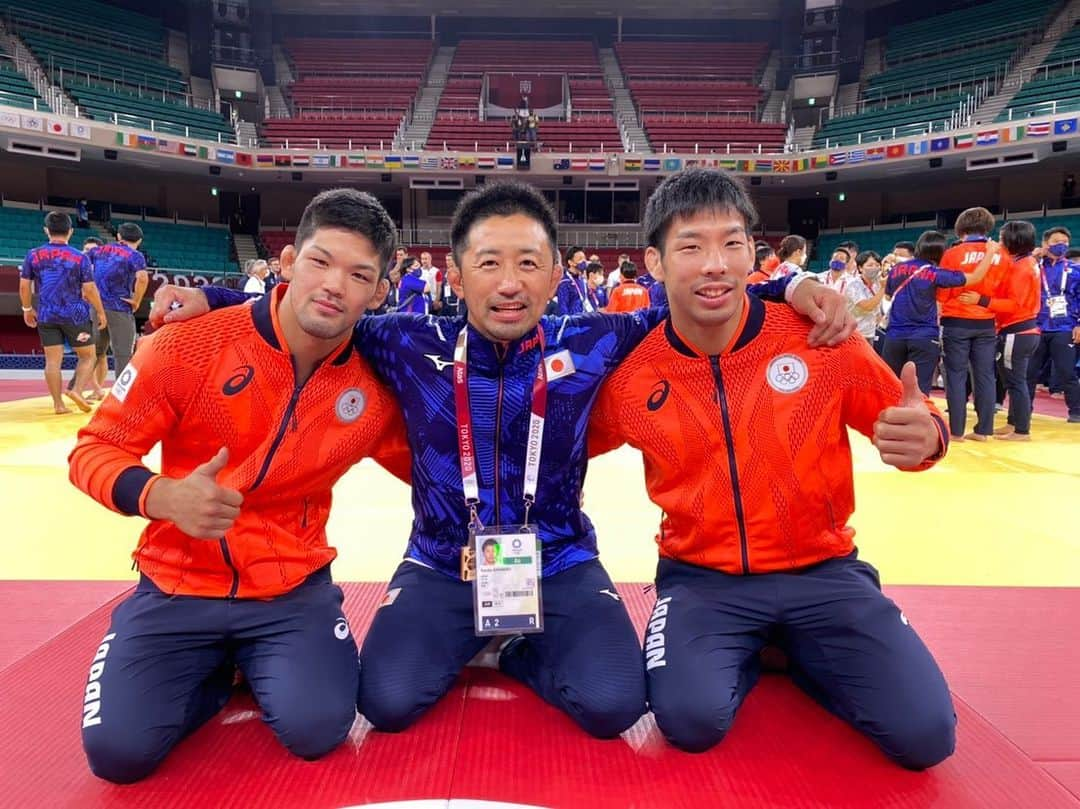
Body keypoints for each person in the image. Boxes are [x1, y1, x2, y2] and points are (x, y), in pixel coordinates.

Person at [150, 181, 855, 741]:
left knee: (613, 705)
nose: (509, 282)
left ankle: (515, 647)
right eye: (489, 263)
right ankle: (484, 631)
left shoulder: (597, 339)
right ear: (455, 274)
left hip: (559, 560)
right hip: (440, 561)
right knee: (388, 701)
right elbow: (317, 305)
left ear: (557, 274)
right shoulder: (403, 341)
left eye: (528, 263)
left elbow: (702, 296)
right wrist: (210, 297)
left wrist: (792, 287)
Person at [588, 167, 956, 770]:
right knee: (689, 720)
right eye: (691, 247)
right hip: (703, 581)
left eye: (732, 244)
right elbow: (562, 449)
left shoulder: (821, 338)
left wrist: (931, 437)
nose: (715, 264)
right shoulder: (631, 378)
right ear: (654, 262)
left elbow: (910, 419)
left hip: (825, 572)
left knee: (925, 736)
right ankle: (771, 644)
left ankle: (801, 646)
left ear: (751, 254)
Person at [68, 188, 411, 784]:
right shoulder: (185, 345)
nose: (334, 285)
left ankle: (253, 659)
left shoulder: (377, 387)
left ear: (380, 291)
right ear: (286, 262)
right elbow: (93, 450)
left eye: (359, 275)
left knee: (318, 730)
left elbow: (426, 464)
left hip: (289, 590)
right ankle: (217, 670)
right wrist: (159, 496)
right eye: (320, 262)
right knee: (118, 755)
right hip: (176, 584)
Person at [955, 220, 1041, 440]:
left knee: (1015, 381)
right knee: (1013, 380)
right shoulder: (1027, 262)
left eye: (1002, 238)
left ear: (1013, 240)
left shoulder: (1021, 268)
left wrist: (981, 300)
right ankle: (1014, 424)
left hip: (1017, 329)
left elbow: (1014, 304)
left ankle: (1022, 429)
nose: (999, 242)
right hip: (1021, 329)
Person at [882, 231, 996, 395]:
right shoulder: (935, 273)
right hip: (924, 337)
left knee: (890, 386)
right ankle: (918, 420)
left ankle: (888, 419)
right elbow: (975, 277)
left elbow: (888, 295)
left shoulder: (896, 269)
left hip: (894, 337)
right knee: (919, 392)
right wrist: (990, 252)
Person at [18, 211, 107, 414]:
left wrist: (27, 308)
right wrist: (100, 312)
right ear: (71, 231)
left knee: (52, 361)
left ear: (46, 230)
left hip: (47, 314)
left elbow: (24, 286)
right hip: (75, 314)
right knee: (88, 356)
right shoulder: (80, 257)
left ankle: (58, 405)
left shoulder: (33, 255)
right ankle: (76, 390)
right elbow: (90, 289)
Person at [937, 208, 1009, 441]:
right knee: (986, 375)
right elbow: (1005, 292)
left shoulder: (952, 254)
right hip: (987, 322)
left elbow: (943, 291)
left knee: (956, 376)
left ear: (961, 228)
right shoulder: (1002, 255)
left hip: (956, 321)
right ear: (988, 227)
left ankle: (956, 431)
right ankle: (984, 431)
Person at [1028, 226, 1080, 423]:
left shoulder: (1075, 270)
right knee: (1029, 372)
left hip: (1064, 327)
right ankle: (1024, 411)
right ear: (1045, 244)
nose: (1061, 245)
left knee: (1067, 371)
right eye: (1056, 241)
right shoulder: (1032, 267)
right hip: (1036, 326)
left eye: (1065, 242)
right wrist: (1032, 258)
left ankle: (1076, 411)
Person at [88, 222, 149, 379]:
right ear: (140, 240)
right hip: (119, 307)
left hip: (97, 307)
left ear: (118, 237)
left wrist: (85, 290)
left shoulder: (97, 250)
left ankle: (75, 387)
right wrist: (136, 300)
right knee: (123, 354)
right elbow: (142, 278)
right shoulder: (135, 255)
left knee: (94, 352)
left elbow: (80, 265)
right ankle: (120, 395)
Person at [845, 250, 886, 345]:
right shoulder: (853, 284)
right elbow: (867, 306)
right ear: (860, 268)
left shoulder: (878, 283)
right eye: (870, 265)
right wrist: (883, 288)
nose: (874, 268)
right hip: (852, 334)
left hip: (870, 334)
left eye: (877, 265)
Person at [557, 246, 594, 314]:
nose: (584, 261)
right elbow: (563, 308)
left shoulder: (583, 280)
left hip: (585, 320)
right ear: (570, 262)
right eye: (580, 258)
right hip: (573, 322)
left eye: (584, 258)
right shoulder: (565, 282)